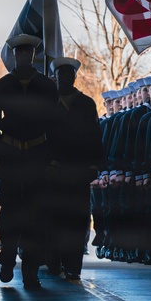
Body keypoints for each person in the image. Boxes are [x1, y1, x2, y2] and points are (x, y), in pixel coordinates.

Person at [0, 33, 59, 289]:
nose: (24, 55)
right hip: (11, 157)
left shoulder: (46, 86)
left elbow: (56, 127)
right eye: (20, 52)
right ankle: (8, 254)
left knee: (36, 216)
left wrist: (53, 159)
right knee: (9, 212)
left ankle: (31, 270)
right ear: (14, 55)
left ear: (33, 55)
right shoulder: (2, 86)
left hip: (38, 156)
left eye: (28, 51)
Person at [48, 57, 103, 280]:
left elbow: (95, 136)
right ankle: (54, 260)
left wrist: (94, 165)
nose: (65, 78)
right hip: (54, 171)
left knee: (78, 219)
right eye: (61, 74)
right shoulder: (48, 103)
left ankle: (73, 265)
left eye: (69, 74)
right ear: (55, 77)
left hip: (79, 169)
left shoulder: (86, 103)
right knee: (55, 218)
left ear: (74, 77)